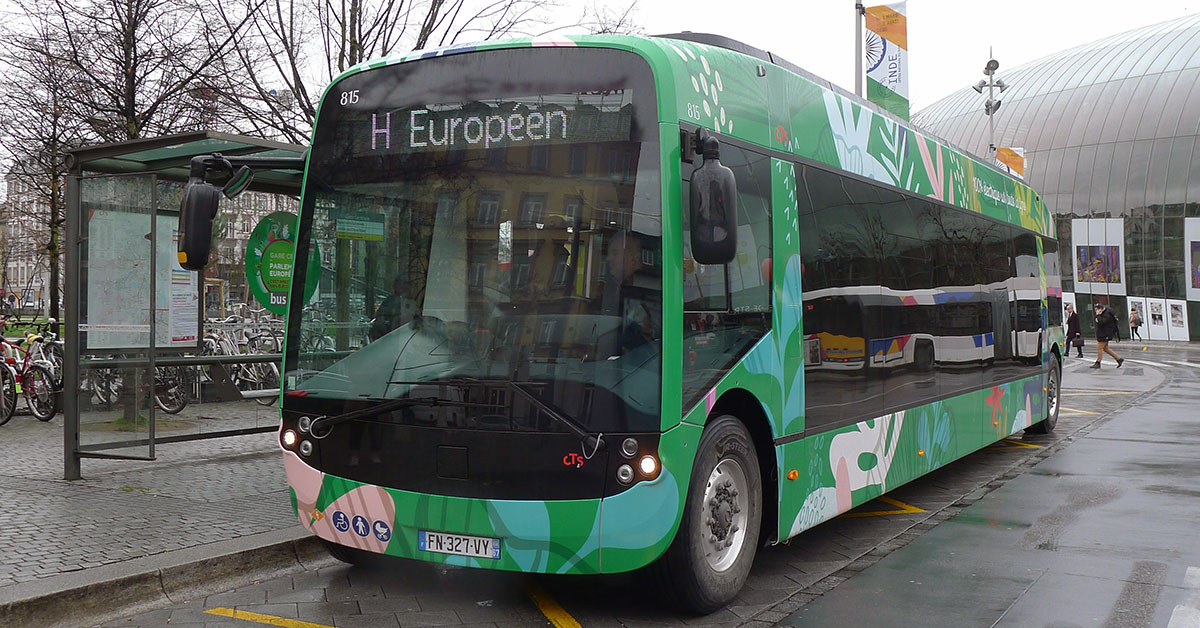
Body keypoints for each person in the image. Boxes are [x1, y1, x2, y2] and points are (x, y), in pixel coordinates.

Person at [369, 275, 417, 341]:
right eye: (403, 283)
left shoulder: (414, 303)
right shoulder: (388, 302)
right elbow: (379, 322)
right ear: (395, 286)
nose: (405, 286)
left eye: (408, 284)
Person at [1090, 302, 1124, 369]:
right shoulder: (1105, 313)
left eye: (1097, 309)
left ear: (1100, 309)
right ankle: (1119, 359)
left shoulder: (1107, 314)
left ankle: (1098, 362)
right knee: (1105, 348)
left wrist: (1098, 316)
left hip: (1106, 334)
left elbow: (1102, 322)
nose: (1096, 311)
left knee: (1099, 346)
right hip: (1104, 333)